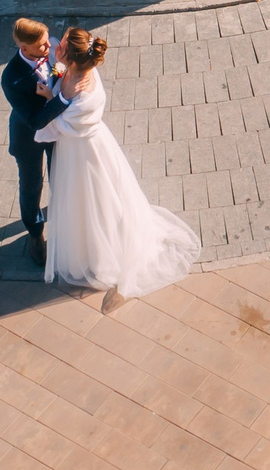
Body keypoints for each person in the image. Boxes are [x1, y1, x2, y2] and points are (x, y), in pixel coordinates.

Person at [35, 26, 200, 297]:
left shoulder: (84, 95)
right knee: (79, 200)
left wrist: (53, 98)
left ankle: (99, 257)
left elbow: (61, 124)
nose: (56, 48)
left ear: (73, 61)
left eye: (62, 47)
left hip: (86, 153)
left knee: (94, 201)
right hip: (76, 147)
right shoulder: (76, 68)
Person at [0, 17, 67, 267]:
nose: (49, 47)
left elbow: (55, 72)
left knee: (59, 175)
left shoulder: (50, 48)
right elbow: (34, 121)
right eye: (42, 45)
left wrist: (59, 73)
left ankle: (62, 215)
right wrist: (61, 102)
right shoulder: (12, 78)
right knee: (31, 185)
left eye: (47, 41)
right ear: (24, 48)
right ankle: (35, 232)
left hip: (56, 132)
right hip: (29, 136)